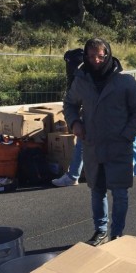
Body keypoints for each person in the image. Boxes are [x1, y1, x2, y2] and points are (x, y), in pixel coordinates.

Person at [63, 38, 136, 246]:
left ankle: (117, 233)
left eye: (101, 56)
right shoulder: (81, 80)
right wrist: (74, 122)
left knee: (120, 193)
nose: (97, 61)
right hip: (93, 145)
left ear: (108, 55)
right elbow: (69, 104)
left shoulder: (125, 82)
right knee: (97, 190)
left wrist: (128, 134)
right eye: (91, 56)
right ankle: (100, 231)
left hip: (119, 146)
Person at [53, 48, 85, 187]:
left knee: (82, 143)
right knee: (82, 143)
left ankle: (73, 176)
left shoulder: (79, 74)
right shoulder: (86, 69)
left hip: (94, 114)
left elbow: (72, 100)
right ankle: (74, 175)